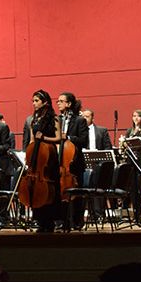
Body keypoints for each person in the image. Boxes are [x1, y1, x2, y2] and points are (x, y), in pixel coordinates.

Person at [26, 90, 60, 233]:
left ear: (45, 101)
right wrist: (28, 155)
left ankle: (50, 221)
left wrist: (44, 138)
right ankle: (39, 220)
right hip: (36, 157)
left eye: (36, 101)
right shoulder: (33, 119)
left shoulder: (54, 119)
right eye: (33, 101)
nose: (34, 103)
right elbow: (32, 139)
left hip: (49, 157)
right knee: (35, 188)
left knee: (49, 188)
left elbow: (58, 138)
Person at [56, 92, 89, 230]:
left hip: (74, 163)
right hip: (60, 162)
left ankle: (77, 221)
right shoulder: (57, 120)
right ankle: (62, 220)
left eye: (61, 101)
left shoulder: (79, 120)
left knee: (76, 194)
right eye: (58, 101)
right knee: (59, 193)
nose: (58, 103)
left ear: (69, 104)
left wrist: (68, 137)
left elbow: (83, 140)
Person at [120, 109, 141, 223]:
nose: (135, 118)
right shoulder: (130, 130)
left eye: (138, 116)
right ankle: (137, 215)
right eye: (134, 116)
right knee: (133, 189)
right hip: (132, 162)